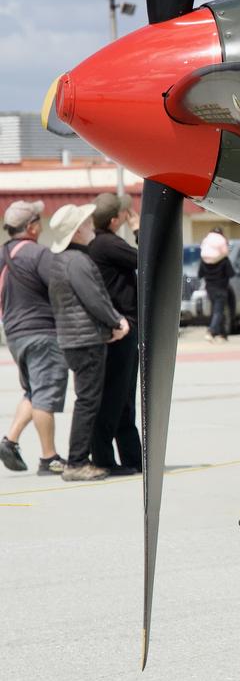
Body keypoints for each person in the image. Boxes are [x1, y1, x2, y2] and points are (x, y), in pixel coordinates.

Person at [42, 203, 128, 482]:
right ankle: (77, 461)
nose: (92, 226)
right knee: (88, 401)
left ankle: (80, 458)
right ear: (78, 231)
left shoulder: (59, 260)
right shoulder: (78, 261)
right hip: (86, 339)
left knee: (86, 400)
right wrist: (116, 322)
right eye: (87, 223)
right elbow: (94, 298)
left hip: (71, 338)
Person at [0, 199, 67, 476]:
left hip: (14, 333)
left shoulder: (2, 254)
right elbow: (61, 286)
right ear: (31, 227)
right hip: (42, 332)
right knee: (46, 396)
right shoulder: (38, 254)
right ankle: (49, 458)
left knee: (34, 391)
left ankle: (10, 441)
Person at [86, 192, 141, 475]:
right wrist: (138, 230)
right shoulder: (109, 244)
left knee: (121, 399)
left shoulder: (98, 244)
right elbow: (148, 259)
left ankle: (130, 458)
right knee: (116, 399)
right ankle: (107, 459)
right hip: (122, 329)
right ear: (115, 218)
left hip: (116, 329)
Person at [199, 229, 236, 339]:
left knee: (216, 310)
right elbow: (231, 273)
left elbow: (200, 274)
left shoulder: (204, 261)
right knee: (219, 311)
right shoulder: (224, 260)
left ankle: (221, 334)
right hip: (221, 287)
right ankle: (211, 331)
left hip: (209, 288)